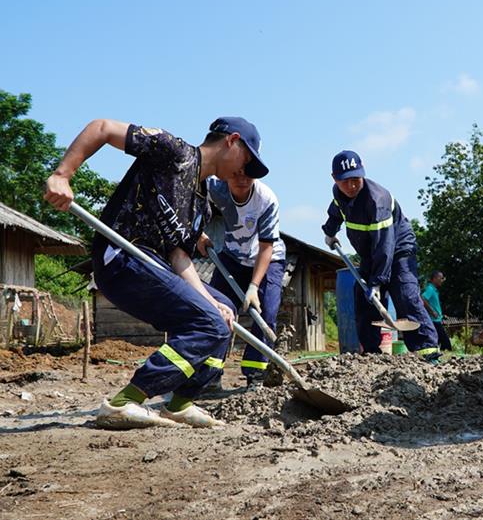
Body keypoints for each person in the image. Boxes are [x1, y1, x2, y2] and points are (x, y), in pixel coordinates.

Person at [45, 117, 268, 428]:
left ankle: (180, 403)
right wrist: (62, 174)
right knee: (210, 322)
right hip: (122, 257)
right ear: (232, 141)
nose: (244, 172)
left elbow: (180, 258)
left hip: (157, 266)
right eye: (247, 160)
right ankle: (124, 402)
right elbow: (103, 129)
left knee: (224, 312)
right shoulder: (174, 153)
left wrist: (209, 299)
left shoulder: (201, 206)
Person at [321, 150, 440, 359]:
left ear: (363, 173)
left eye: (356, 179)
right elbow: (336, 211)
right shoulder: (339, 195)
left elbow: (385, 244)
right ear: (335, 179)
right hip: (371, 252)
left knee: (405, 295)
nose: (351, 186)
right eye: (345, 181)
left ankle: (427, 350)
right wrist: (330, 232)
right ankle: (371, 353)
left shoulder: (377, 200)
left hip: (399, 249)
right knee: (363, 296)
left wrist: (377, 283)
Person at [202, 170, 286, 389]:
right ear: (226, 173)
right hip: (232, 256)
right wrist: (197, 232)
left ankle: (256, 374)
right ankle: (210, 374)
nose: (242, 180)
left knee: (266, 312)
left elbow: (266, 246)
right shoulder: (214, 186)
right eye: (236, 173)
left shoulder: (266, 199)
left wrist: (253, 286)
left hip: (268, 259)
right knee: (216, 310)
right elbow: (191, 198)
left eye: (249, 175)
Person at [421, 271, 451, 351]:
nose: (442, 280)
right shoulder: (430, 289)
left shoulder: (434, 290)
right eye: (440, 278)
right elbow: (423, 299)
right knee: (445, 342)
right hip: (433, 320)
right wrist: (432, 311)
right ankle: (448, 355)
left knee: (438, 340)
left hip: (437, 319)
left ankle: (439, 354)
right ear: (434, 279)